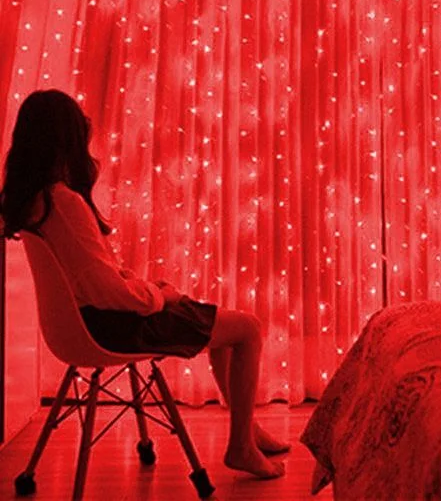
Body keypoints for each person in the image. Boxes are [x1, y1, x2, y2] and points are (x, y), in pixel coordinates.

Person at [0, 89, 288, 480]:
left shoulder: (33, 203)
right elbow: (107, 290)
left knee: (222, 327)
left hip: (89, 323)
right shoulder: (64, 203)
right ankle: (241, 446)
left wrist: (147, 289)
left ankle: (246, 430)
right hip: (112, 327)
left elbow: (92, 278)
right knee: (248, 328)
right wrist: (158, 297)